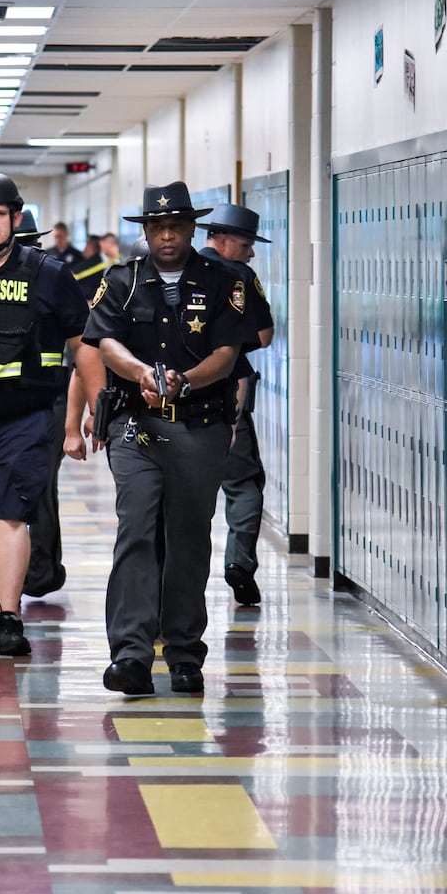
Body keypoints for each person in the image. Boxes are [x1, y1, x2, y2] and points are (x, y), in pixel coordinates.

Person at [83, 181, 252, 696]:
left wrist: (185, 380)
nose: (167, 235)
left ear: (191, 228)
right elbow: (102, 342)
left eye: (176, 225)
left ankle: (183, 652)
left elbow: (228, 352)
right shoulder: (122, 280)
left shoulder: (225, 281)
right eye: (157, 226)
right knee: (135, 528)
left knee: (187, 538)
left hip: (200, 426)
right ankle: (130, 654)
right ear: (147, 231)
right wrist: (141, 374)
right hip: (136, 426)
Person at [0, 174, 91, 655]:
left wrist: (95, 405)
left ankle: (9, 617)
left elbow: (84, 345)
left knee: (9, 513)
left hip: (27, 415)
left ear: (15, 218)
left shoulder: (49, 274)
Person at [198, 203, 275, 607]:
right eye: (246, 244)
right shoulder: (239, 277)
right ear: (222, 240)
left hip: (165, 404)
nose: (251, 253)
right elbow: (263, 336)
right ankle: (239, 562)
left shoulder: (171, 271)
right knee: (243, 484)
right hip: (225, 395)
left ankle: (169, 581)